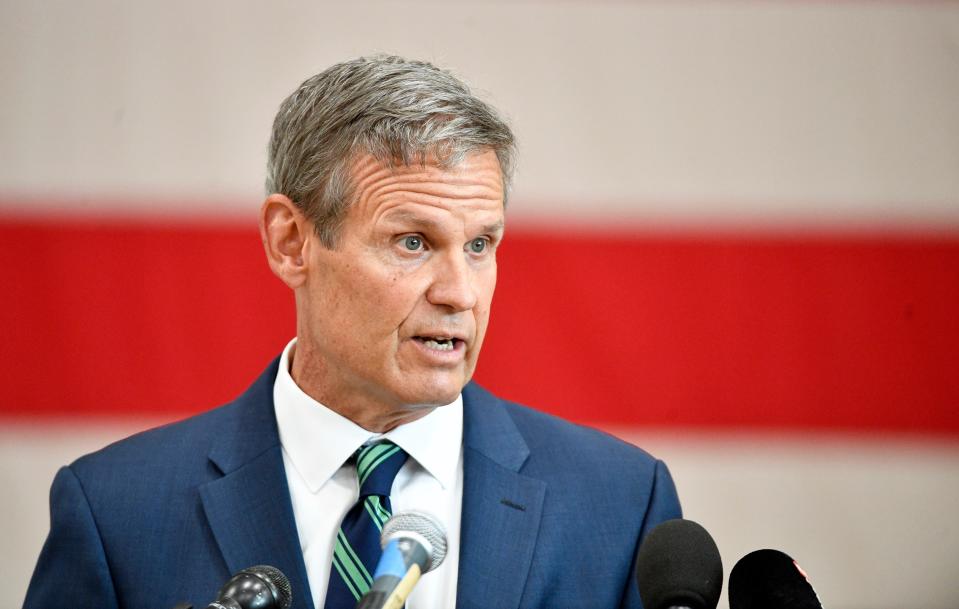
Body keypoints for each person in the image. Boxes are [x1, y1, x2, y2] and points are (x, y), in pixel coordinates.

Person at [24, 55, 681, 609]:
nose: (459, 292)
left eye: (480, 244)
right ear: (291, 242)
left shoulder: (618, 504)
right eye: (413, 241)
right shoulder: (118, 511)